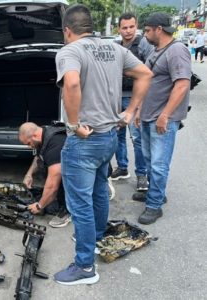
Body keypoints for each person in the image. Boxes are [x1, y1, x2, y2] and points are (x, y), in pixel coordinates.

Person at [53, 4, 152, 285]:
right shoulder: (115, 49)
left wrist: (73, 124)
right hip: (109, 136)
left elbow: (72, 85)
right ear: (90, 27)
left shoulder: (70, 51)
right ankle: (95, 237)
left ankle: (85, 267)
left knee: (80, 204)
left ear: (68, 30)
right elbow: (146, 74)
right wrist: (130, 111)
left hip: (85, 140)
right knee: (97, 190)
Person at [133, 13, 191, 225]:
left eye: (147, 30)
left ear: (159, 29)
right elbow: (147, 83)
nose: (144, 34)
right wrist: (139, 110)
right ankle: (156, 193)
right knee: (149, 160)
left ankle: (154, 205)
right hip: (149, 116)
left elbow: (182, 84)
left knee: (158, 164)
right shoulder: (156, 51)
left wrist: (165, 115)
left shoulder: (177, 51)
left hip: (162, 119)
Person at [111, 13, 154, 192]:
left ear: (136, 27)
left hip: (135, 97)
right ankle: (122, 167)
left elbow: (151, 70)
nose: (128, 31)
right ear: (119, 29)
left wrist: (142, 101)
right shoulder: (115, 46)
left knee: (137, 138)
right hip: (116, 97)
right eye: (124, 27)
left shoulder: (143, 44)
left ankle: (142, 174)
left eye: (131, 27)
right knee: (117, 135)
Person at [18, 122, 70, 228]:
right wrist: (29, 175)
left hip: (83, 170)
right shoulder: (43, 134)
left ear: (35, 136)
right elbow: (39, 156)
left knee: (59, 181)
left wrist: (39, 206)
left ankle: (68, 211)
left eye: (28, 143)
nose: (29, 147)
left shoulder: (55, 144)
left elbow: (53, 184)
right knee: (49, 202)